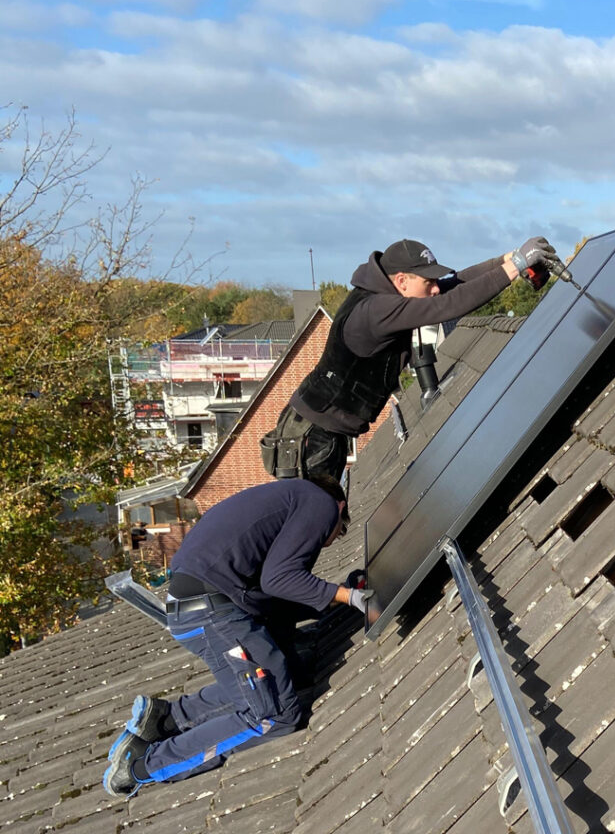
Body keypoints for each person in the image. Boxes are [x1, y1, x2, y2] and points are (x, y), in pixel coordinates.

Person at [103, 472, 370, 797]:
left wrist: (334, 598)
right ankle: (143, 767)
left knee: (272, 683)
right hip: (213, 610)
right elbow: (280, 579)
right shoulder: (322, 503)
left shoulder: (281, 501)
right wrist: (350, 597)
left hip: (189, 607)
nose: (328, 540)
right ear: (340, 506)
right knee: (275, 714)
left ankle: (165, 719)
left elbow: (272, 599)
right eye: (338, 533)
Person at [261, 235, 559, 481]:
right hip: (311, 438)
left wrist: (505, 260)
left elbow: (452, 284)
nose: (434, 288)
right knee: (316, 524)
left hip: (323, 431)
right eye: (427, 282)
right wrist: (517, 265)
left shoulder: (387, 293)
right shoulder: (376, 311)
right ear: (402, 281)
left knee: (325, 521)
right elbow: (448, 304)